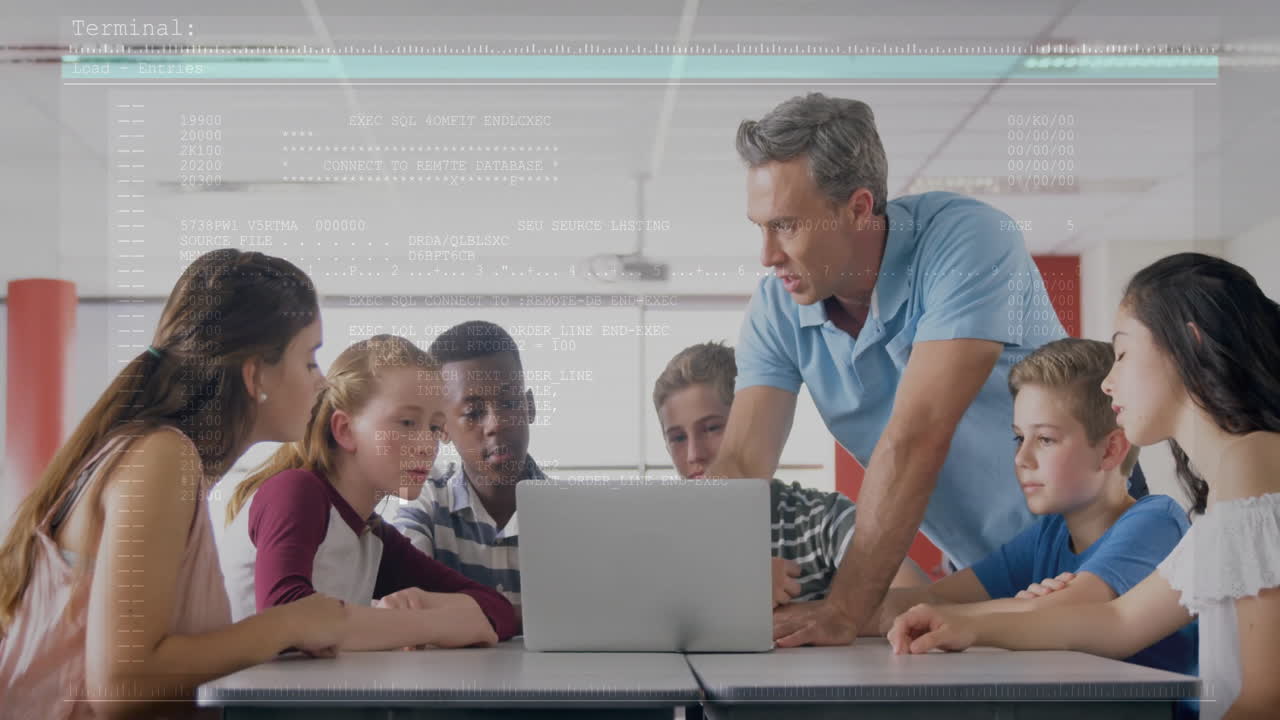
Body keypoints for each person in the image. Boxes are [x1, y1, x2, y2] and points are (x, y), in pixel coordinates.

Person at [707, 92, 1146, 647]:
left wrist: (843, 609)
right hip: (989, 570)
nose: (767, 255)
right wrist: (706, 579)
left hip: (1093, 541)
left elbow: (917, 436)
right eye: (761, 227)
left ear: (859, 207)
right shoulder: (777, 308)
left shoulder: (968, 241)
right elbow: (742, 460)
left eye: (787, 226)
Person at [889, 253, 1280, 720]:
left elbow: (1265, 701)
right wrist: (966, 626)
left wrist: (973, 621)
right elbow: (1119, 622)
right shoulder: (1234, 480)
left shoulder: (1251, 461)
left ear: (1187, 347)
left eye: (1122, 354)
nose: (1109, 383)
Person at [0, 249, 347, 719]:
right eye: (309, 360)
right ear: (255, 374)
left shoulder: (166, 458)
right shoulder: (162, 458)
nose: (322, 382)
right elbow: (123, 687)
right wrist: (288, 624)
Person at [866, 338, 1196, 677]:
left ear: (1110, 450)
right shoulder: (1049, 534)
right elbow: (934, 599)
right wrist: (831, 614)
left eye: (1045, 439)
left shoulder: (1156, 521)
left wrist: (1017, 609)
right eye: (1019, 438)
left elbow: (1068, 610)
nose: (1022, 459)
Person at [219, 335, 517, 650]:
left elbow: (496, 608)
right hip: (251, 699)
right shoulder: (295, 492)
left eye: (434, 427)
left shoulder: (372, 537)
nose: (427, 445)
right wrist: (433, 624)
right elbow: (287, 618)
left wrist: (424, 602)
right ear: (345, 430)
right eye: (406, 422)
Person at [653, 341, 927, 610]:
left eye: (712, 428)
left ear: (746, 423)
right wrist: (732, 583)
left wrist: (805, 615)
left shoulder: (822, 520)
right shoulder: (658, 530)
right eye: (677, 437)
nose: (693, 454)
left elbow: (916, 599)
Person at [394, 321, 546, 613]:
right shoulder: (425, 499)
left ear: (530, 407)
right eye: (473, 413)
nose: (496, 424)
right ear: (442, 428)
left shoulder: (565, 513)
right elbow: (406, 600)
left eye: (510, 402)